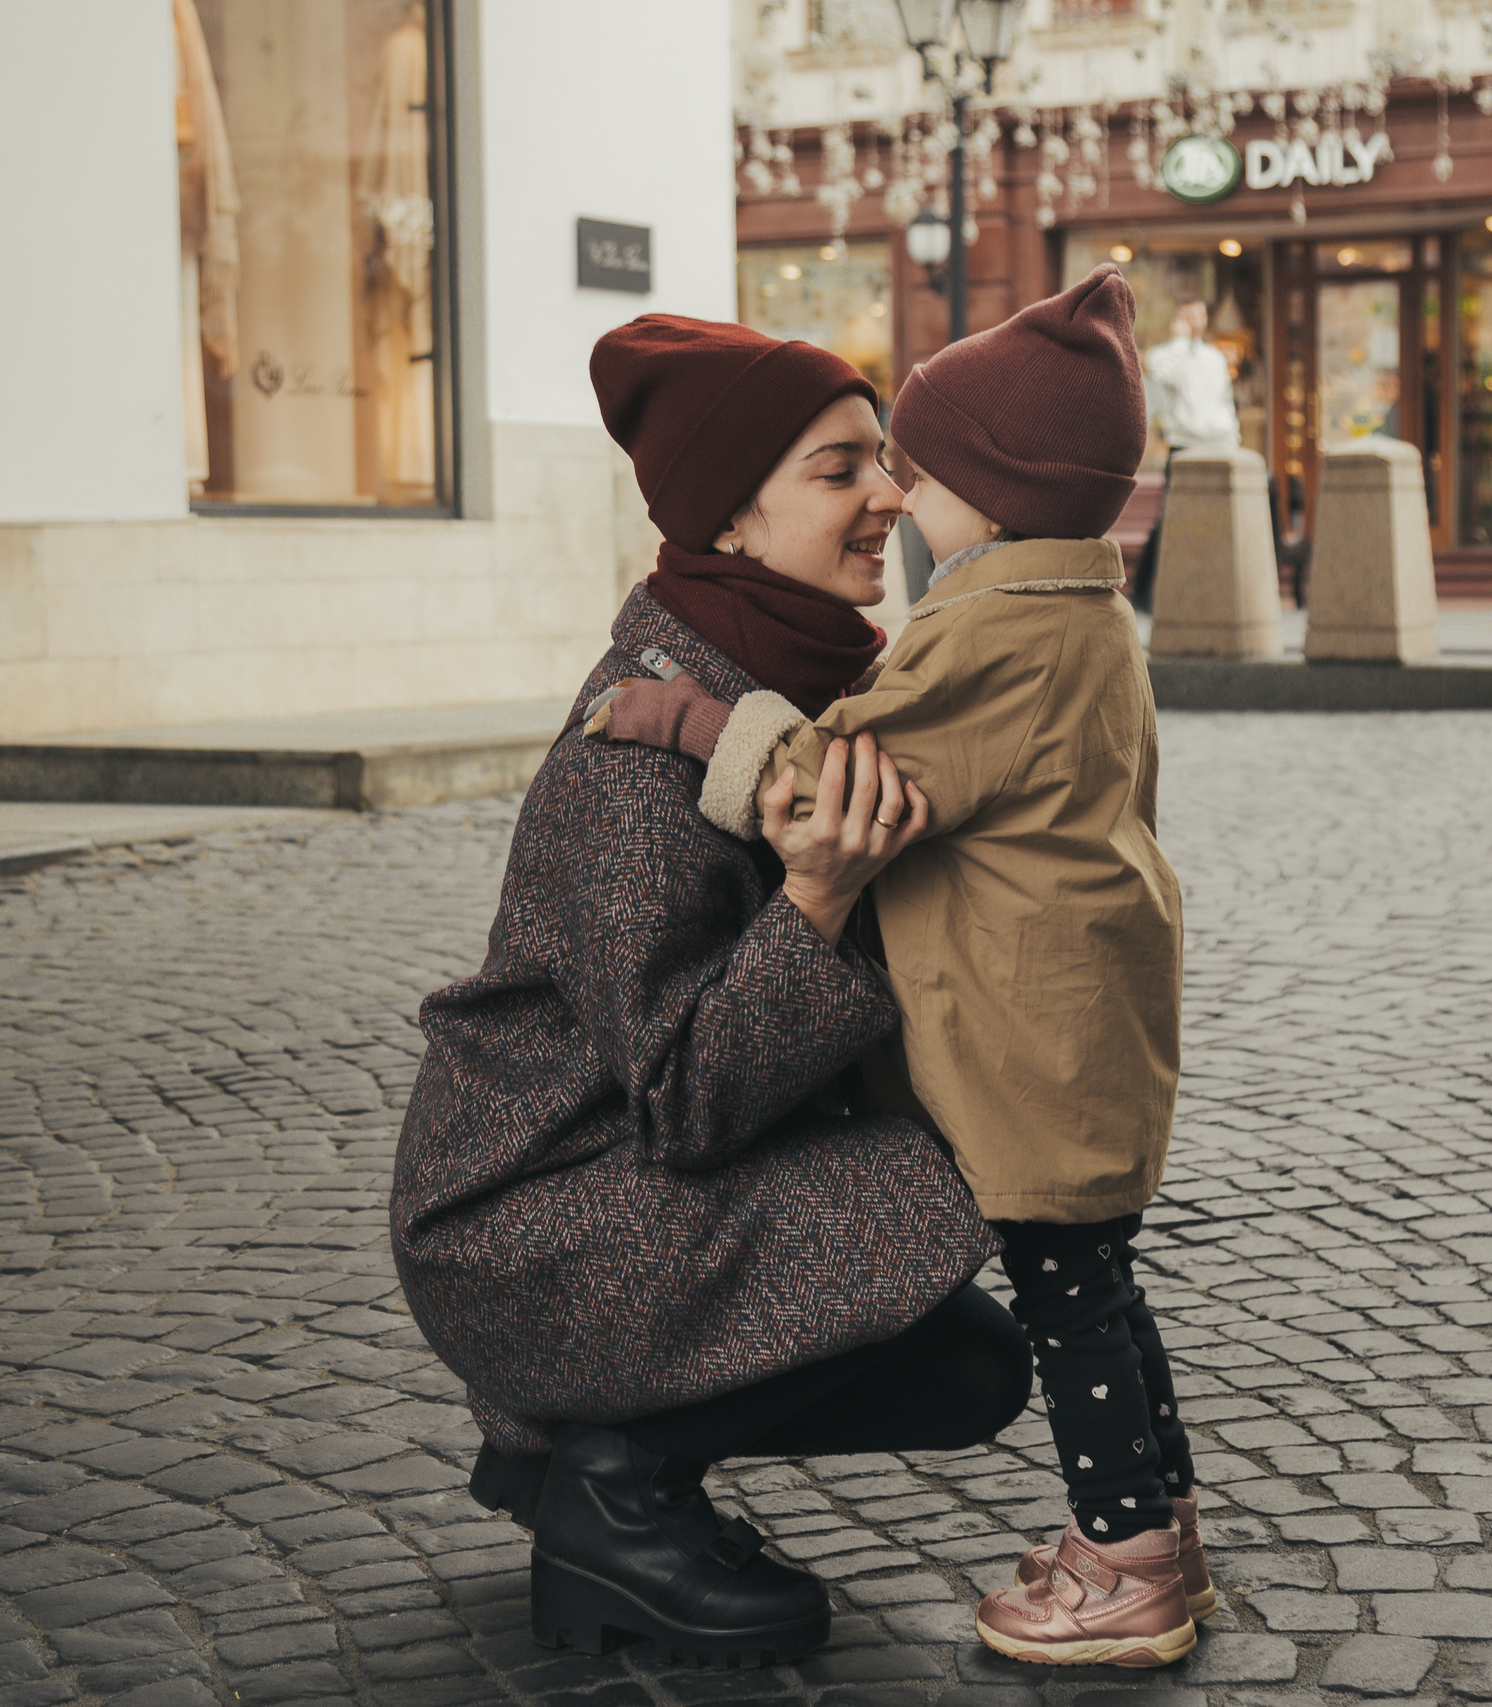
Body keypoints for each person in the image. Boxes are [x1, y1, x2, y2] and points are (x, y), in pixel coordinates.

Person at [389, 315, 1034, 1671]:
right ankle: (613, 1489)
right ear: (731, 516)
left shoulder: (778, 672)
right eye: (840, 470)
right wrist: (815, 901)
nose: (890, 499)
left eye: (888, 463)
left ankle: (607, 1460)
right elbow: (685, 1094)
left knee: (972, 1363)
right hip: (528, 1214)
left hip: (620, 1182)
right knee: (937, 1202)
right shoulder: (634, 750)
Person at [588, 267, 1207, 1670]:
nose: (897, 499)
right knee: (1100, 1283)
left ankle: (1126, 1564)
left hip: (1027, 1044)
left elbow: (836, 782)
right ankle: (1158, 1522)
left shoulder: (999, 629)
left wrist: (690, 719)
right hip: (1082, 1020)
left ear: (990, 497)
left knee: (1070, 1299)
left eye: (915, 472)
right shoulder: (1083, 609)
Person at [1133, 297, 1241, 609]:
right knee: (1171, 520)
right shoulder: (1164, 356)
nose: (1196, 320)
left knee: (1214, 520)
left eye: (1201, 314)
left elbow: (1224, 401)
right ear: (1179, 318)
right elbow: (1166, 378)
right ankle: (1142, 589)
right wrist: (1180, 342)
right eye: (1190, 315)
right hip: (1183, 448)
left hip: (1217, 448)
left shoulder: (1214, 358)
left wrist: (1232, 442)